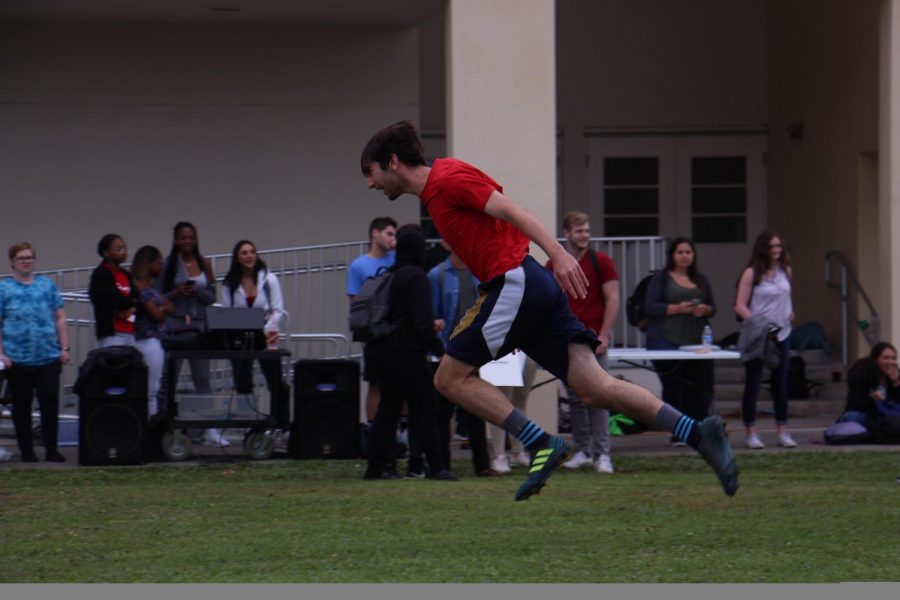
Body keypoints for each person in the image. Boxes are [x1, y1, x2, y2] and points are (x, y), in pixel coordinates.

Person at [360, 120, 738, 500]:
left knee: (447, 378)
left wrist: (557, 254)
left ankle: (539, 442)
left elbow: (512, 209)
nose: (370, 185)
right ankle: (697, 431)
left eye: (370, 173)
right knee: (595, 388)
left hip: (514, 283)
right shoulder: (434, 195)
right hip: (530, 288)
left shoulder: (448, 177)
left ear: (392, 162)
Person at [363, 224, 453, 481]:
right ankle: (436, 466)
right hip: (409, 355)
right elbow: (422, 323)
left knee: (387, 411)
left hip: (383, 352)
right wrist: (440, 350)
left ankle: (376, 466)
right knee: (426, 408)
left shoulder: (390, 274)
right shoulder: (416, 277)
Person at [551, 211, 619, 474]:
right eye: (579, 231)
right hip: (566, 340)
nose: (585, 236)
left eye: (587, 231)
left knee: (600, 396)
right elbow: (549, 300)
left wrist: (604, 333)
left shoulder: (602, 261)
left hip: (594, 339)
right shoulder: (554, 264)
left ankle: (603, 454)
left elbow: (612, 299)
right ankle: (582, 451)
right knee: (576, 398)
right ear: (567, 234)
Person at [428, 241, 496, 477]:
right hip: (448, 351)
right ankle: (442, 465)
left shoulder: (479, 273)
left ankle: (483, 465)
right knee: (443, 412)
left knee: (476, 408)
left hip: (474, 351)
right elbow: (433, 314)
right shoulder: (437, 275)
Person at [0, 242, 71, 462]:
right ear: (12, 262)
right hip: (18, 359)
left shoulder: (47, 286)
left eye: (29, 257)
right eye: (21, 258)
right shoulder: (4, 289)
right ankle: (27, 451)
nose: (26, 261)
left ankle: (51, 448)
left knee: (49, 404)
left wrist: (64, 347)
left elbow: (60, 317)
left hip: (48, 357)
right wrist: (2, 354)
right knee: (21, 407)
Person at [643, 236, 717, 446]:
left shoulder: (701, 279)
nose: (685, 256)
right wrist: (678, 308)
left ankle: (699, 429)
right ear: (672, 255)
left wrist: (704, 309)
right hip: (665, 339)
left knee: (699, 385)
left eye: (688, 252)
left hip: (695, 340)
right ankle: (678, 431)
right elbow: (651, 306)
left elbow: (713, 307)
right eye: (680, 252)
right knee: (674, 385)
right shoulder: (661, 278)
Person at [157, 221, 222, 446]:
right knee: (169, 380)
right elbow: (158, 297)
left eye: (191, 238)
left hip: (199, 327)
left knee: (202, 379)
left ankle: (207, 430)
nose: (187, 241)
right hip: (174, 327)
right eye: (183, 238)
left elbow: (213, 296)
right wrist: (177, 292)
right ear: (176, 240)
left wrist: (197, 291)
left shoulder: (204, 263)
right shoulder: (167, 265)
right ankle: (164, 429)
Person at [734, 230, 796, 450]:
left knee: (780, 384)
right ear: (763, 249)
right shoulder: (751, 273)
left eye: (779, 246)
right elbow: (740, 305)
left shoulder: (785, 271)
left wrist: (790, 313)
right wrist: (758, 323)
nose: (776, 251)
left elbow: (786, 297)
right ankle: (751, 432)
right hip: (759, 335)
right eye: (772, 247)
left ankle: (783, 431)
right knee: (753, 383)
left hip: (782, 333)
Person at [347, 217, 398, 442]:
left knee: (399, 383)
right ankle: (373, 433)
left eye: (394, 235)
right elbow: (354, 301)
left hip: (395, 331)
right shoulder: (359, 265)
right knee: (375, 384)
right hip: (373, 333)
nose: (392, 239)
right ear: (375, 234)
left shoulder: (396, 261)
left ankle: (399, 433)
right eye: (389, 234)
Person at [220, 240, 285, 397]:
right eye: (244, 253)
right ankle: (247, 418)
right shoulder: (229, 283)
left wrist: (269, 327)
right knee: (242, 381)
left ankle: (278, 419)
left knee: (274, 378)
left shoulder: (269, 279)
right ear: (237, 258)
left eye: (252, 252)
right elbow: (227, 313)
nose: (249, 256)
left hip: (267, 332)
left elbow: (278, 309)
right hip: (240, 334)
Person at [130, 245, 174, 418]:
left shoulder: (152, 287)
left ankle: (152, 424)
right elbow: (158, 315)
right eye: (158, 263)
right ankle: (147, 425)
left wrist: (159, 307)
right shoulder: (138, 287)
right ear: (148, 264)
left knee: (155, 388)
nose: (161, 267)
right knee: (149, 389)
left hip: (156, 339)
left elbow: (171, 306)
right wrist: (161, 308)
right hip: (145, 339)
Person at [89, 234, 139, 348]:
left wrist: (133, 307)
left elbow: (138, 297)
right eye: (119, 248)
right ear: (106, 253)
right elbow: (115, 299)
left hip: (131, 331)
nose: (124, 251)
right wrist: (132, 302)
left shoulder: (126, 274)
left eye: (125, 248)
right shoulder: (101, 273)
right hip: (112, 334)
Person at [840, 342, 900, 426]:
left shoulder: (895, 376)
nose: (890, 362)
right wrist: (873, 399)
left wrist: (896, 382)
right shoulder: (862, 373)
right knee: (852, 417)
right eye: (886, 358)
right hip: (865, 415)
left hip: (885, 417)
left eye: (893, 358)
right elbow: (853, 406)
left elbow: (896, 403)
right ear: (876, 360)